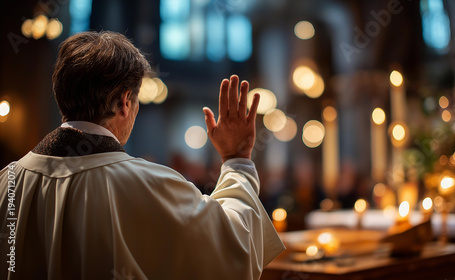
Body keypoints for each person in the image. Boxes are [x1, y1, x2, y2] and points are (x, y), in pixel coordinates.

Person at [0, 31, 285, 280]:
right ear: (125, 102)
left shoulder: (7, 181)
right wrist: (237, 159)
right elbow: (237, 249)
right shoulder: (149, 184)